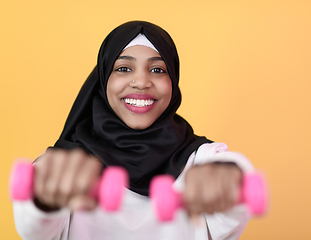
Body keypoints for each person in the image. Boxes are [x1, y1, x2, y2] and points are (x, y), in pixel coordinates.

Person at [12, 21, 257, 240]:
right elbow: (34, 229)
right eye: (124, 69)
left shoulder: (201, 162)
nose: (141, 82)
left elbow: (232, 183)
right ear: (103, 78)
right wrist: (43, 199)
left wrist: (230, 179)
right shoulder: (66, 167)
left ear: (174, 80)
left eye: (158, 70)